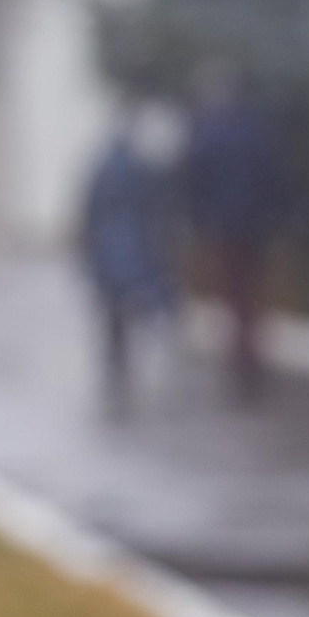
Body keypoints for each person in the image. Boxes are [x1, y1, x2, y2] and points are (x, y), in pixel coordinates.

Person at [184, 72, 291, 401]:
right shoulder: (257, 130)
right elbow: (276, 176)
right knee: (251, 297)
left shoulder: (209, 133)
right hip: (255, 229)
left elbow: (192, 179)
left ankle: (241, 363)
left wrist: (201, 220)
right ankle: (249, 361)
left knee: (232, 297)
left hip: (223, 229)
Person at [79, 110, 183, 416]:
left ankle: (117, 365)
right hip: (135, 246)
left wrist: (88, 248)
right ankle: (127, 364)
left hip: (108, 248)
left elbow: (90, 209)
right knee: (134, 305)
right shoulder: (139, 168)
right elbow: (155, 209)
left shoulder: (101, 167)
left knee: (113, 313)